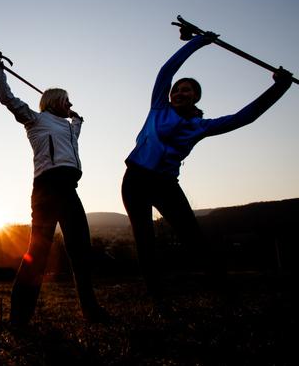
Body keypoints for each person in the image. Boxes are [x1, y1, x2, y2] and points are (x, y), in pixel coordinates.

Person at [122, 32, 293, 301]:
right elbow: (167, 70)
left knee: (192, 236)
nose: (179, 92)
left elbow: (244, 117)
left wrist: (280, 87)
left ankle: (222, 288)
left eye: (186, 89)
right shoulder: (158, 107)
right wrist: (198, 42)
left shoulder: (200, 126)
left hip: (165, 184)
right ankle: (158, 299)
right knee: (144, 240)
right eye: (177, 89)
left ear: (195, 97)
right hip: (135, 180)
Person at [0, 59, 108, 327]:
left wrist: (78, 120)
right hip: (47, 188)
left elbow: (75, 129)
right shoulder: (36, 120)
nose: (70, 104)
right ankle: (19, 318)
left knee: (81, 250)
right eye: (67, 100)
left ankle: (91, 310)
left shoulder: (68, 126)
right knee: (38, 253)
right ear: (54, 101)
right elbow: (7, 98)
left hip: (69, 188)